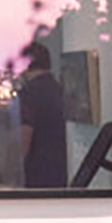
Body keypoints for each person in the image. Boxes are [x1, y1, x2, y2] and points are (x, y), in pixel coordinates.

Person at [17, 41, 67, 188]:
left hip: (37, 173)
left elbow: (24, 139)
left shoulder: (28, 93)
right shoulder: (58, 89)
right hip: (60, 171)